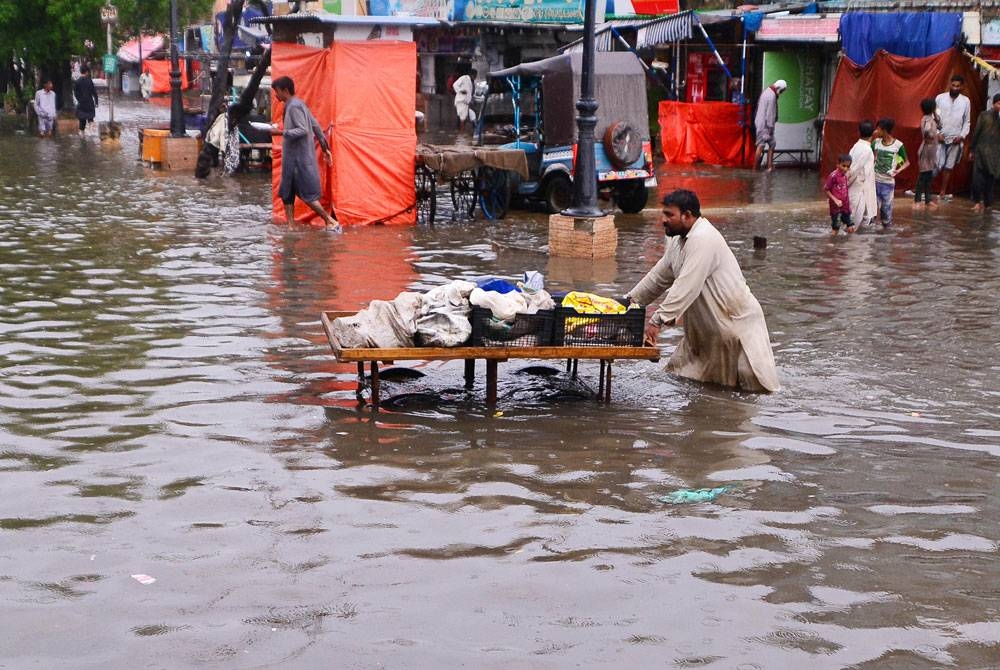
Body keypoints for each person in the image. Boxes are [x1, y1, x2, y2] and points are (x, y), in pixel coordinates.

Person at [624, 189, 780, 393]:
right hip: (705, 333)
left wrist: (657, 321)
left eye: (669, 215)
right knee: (683, 380)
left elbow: (686, 285)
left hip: (734, 327)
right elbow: (658, 277)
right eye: (664, 214)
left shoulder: (703, 238)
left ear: (687, 216)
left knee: (748, 395)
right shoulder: (676, 239)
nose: (663, 220)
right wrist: (626, 304)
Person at [270, 76, 341, 230]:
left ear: (285, 91)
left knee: (306, 195)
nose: (276, 95)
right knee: (286, 192)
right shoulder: (298, 104)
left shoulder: (294, 106)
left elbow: (302, 130)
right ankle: (291, 226)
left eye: (277, 92)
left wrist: (281, 132)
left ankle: (330, 221)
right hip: (292, 158)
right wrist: (325, 147)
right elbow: (315, 125)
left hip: (297, 159)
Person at [935, 74, 971, 202]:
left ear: (962, 87)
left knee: (948, 167)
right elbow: (935, 118)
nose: (955, 88)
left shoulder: (965, 101)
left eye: (958, 86)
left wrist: (961, 136)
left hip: (955, 138)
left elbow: (967, 122)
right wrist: (937, 133)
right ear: (950, 84)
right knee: (936, 164)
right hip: (941, 137)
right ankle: (925, 189)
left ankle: (943, 192)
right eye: (953, 85)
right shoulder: (940, 98)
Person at [871, 117, 909, 228]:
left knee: (886, 213)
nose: (876, 131)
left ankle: (885, 236)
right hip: (874, 181)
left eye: (878, 129)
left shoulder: (898, 145)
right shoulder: (876, 143)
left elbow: (906, 162)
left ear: (884, 130)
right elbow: (870, 157)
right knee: (871, 211)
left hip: (888, 183)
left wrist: (898, 170)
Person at [968, 93, 1000, 213]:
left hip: (995, 154)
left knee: (991, 179)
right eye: (998, 104)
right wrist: (972, 149)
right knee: (978, 178)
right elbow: (976, 133)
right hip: (981, 151)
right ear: (993, 104)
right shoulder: (984, 115)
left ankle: (987, 203)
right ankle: (977, 202)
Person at [848, 120, 877, 228]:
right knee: (855, 219)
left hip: (858, 186)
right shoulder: (866, 149)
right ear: (873, 133)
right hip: (859, 187)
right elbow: (854, 169)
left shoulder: (856, 146)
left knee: (859, 216)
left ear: (859, 132)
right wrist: (845, 183)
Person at [753, 79, 787, 172]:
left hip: (761, 123)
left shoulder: (767, 91)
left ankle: (769, 167)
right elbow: (770, 114)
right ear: (780, 88)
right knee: (760, 146)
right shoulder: (772, 96)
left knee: (772, 143)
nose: (782, 93)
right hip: (765, 126)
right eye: (782, 91)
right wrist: (770, 128)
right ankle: (755, 170)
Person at [914, 98, 942, 210]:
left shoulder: (932, 119)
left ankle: (928, 200)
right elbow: (926, 132)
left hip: (932, 150)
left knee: (929, 176)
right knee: (923, 176)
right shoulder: (926, 120)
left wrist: (935, 114)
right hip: (926, 150)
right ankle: (917, 200)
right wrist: (934, 136)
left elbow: (940, 124)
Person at [825, 154, 854, 235]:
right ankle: (832, 243)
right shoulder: (833, 176)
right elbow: (826, 189)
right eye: (843, 166)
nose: (845, 168)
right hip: (835, 207)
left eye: (848, 166)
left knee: (851, 227)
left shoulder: (845, 176)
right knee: (836, 227)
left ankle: (847, 244)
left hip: (845, 206)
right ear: (837, 164)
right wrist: (835, 200)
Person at [73, 65, 98, 134]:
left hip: (81, 104)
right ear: (87, 72)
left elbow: (75, 94)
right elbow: (94, 93)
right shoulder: (89, 81)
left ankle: (82, 138)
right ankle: (92, 135)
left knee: (82, 123)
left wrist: (80, 100)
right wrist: (96, 102)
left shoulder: (77, 81)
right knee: (90, 119)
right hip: (89, 103)